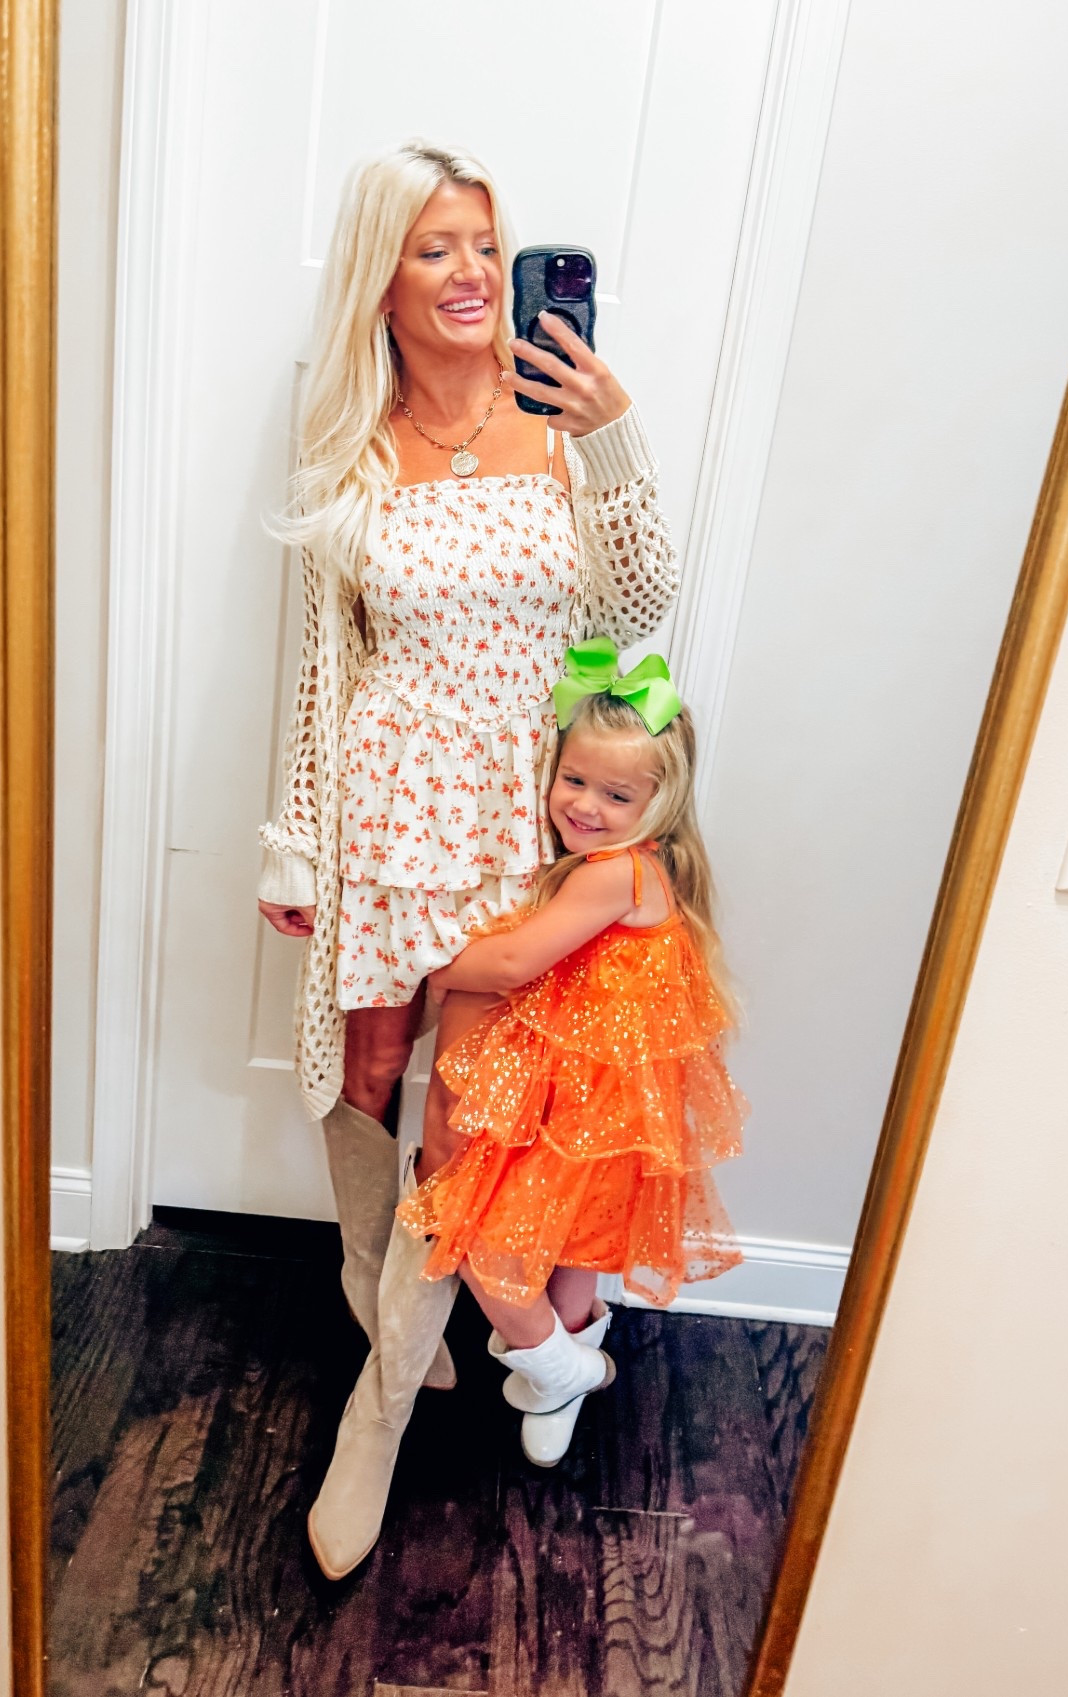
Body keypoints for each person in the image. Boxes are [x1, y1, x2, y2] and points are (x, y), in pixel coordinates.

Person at [257, 140, 680, 1581]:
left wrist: (614, 435)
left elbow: (640, 607)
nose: (471, 275)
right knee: (366, 1076)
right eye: (436, 249)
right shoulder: (350, 445)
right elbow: (317, 663)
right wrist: (294, 838)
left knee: (467, 1124)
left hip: (519, 816)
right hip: (384, 810)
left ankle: (373, 1420)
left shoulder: (559, 417)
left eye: (487, 247)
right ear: (380, 278)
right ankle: (380, 1302)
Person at [397, 640, 748, 1474]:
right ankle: (562, 1368)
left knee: (476, 1234)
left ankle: (562, 1367)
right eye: (574, 779)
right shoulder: (624, 865)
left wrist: (433, 964)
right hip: (592, 1086)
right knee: (573, 1236)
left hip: (596, 1094)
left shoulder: (615, 873)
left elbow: (515, 963)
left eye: (616, 794)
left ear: (660, 803)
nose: (585, 804)